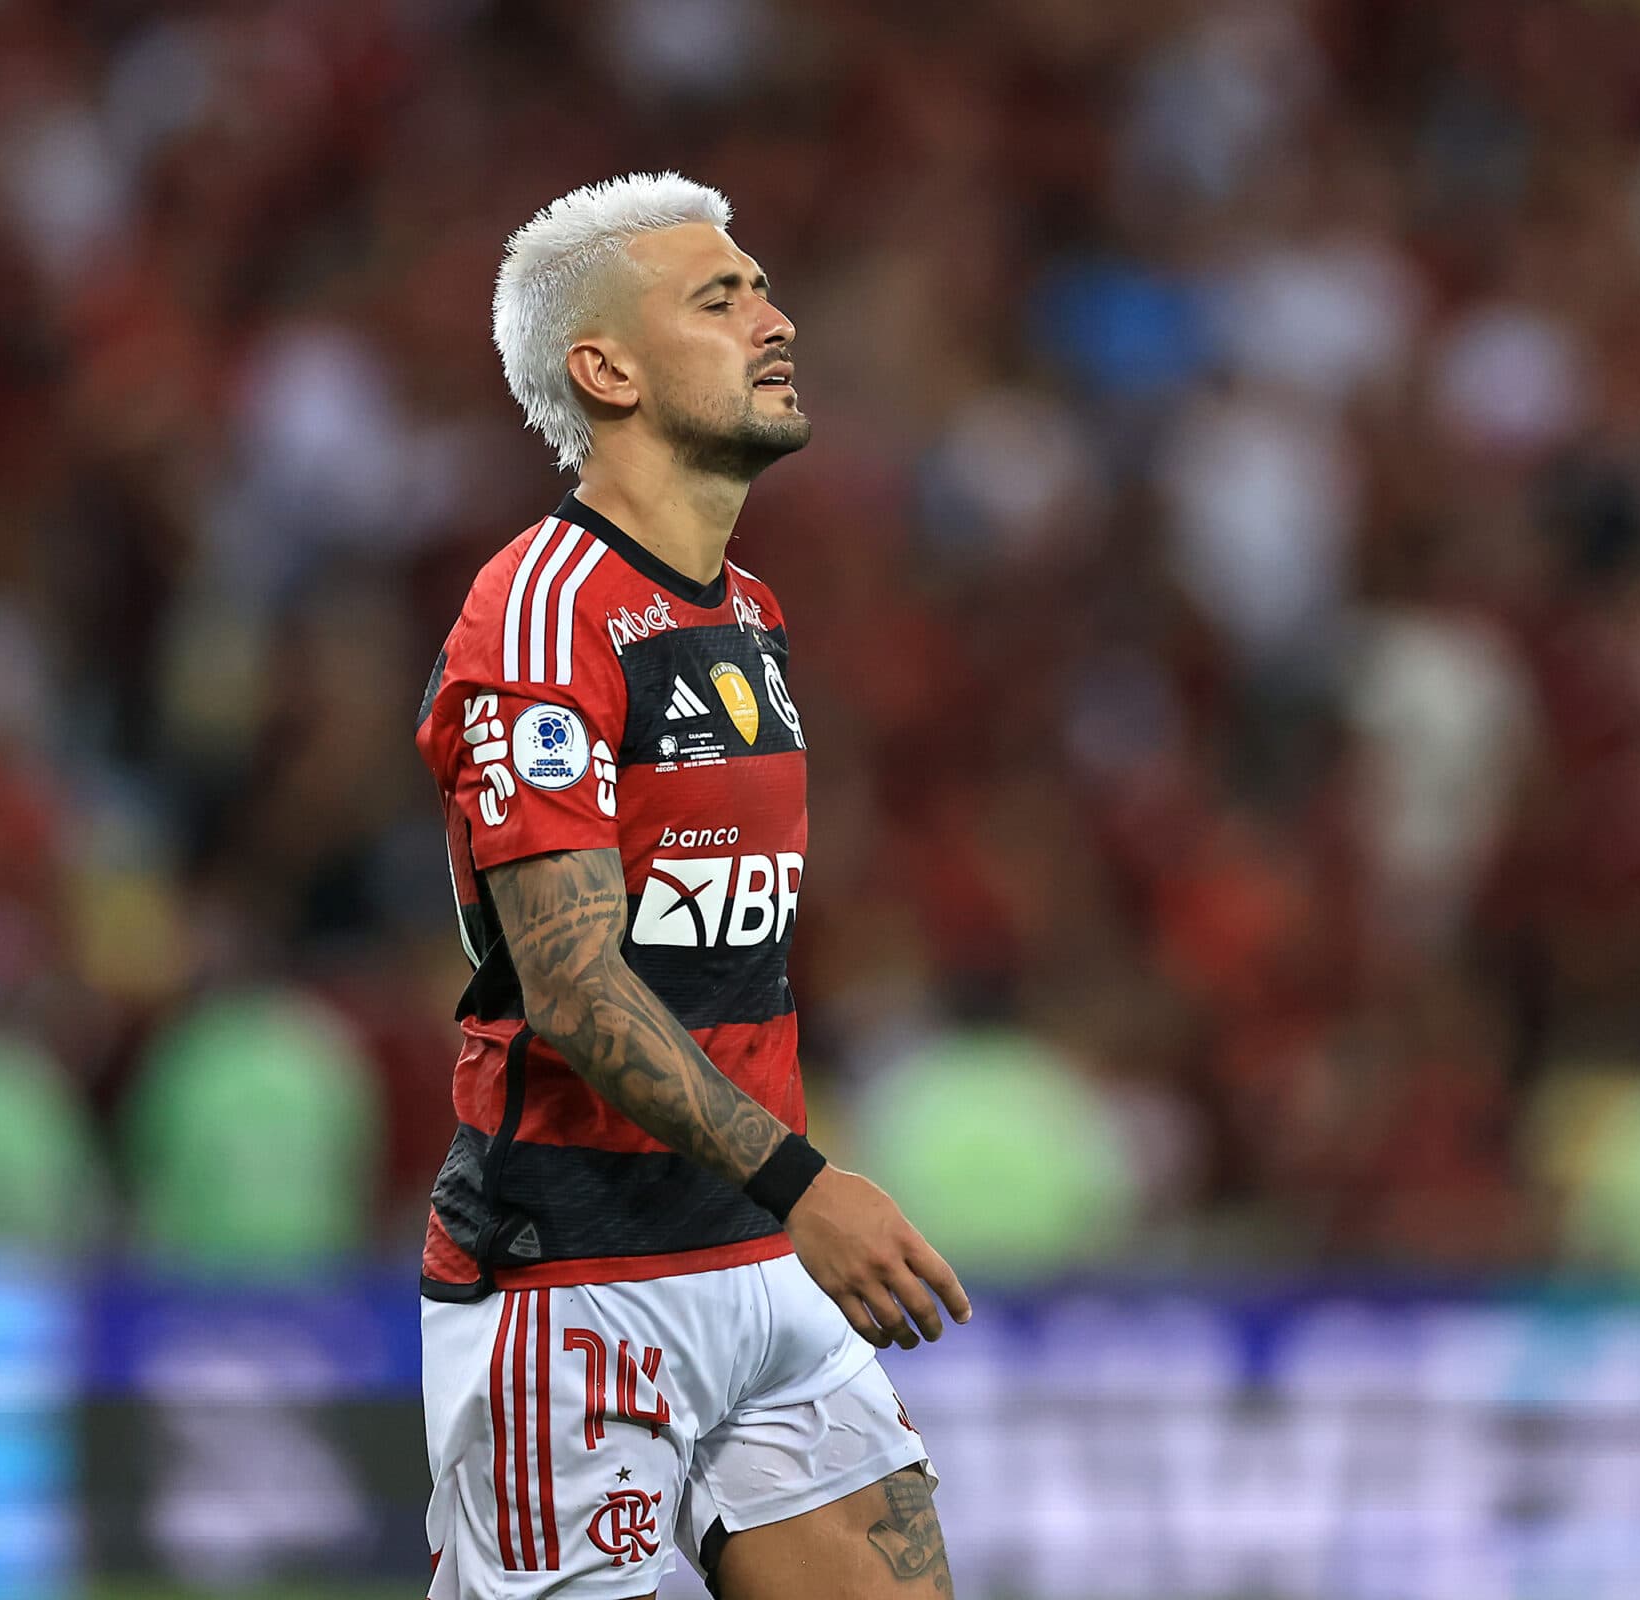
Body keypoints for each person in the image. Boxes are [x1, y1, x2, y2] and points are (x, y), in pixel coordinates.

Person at [413, 172, 969, 1600]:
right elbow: (577, 987)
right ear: (604, 368)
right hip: (576, 1274)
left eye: (766, 289)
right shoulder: (542, 611)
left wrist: (781, 1202)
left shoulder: (750, 617)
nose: (773, 320)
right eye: (718, 299)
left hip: (754, 1255)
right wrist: (807, 1184)